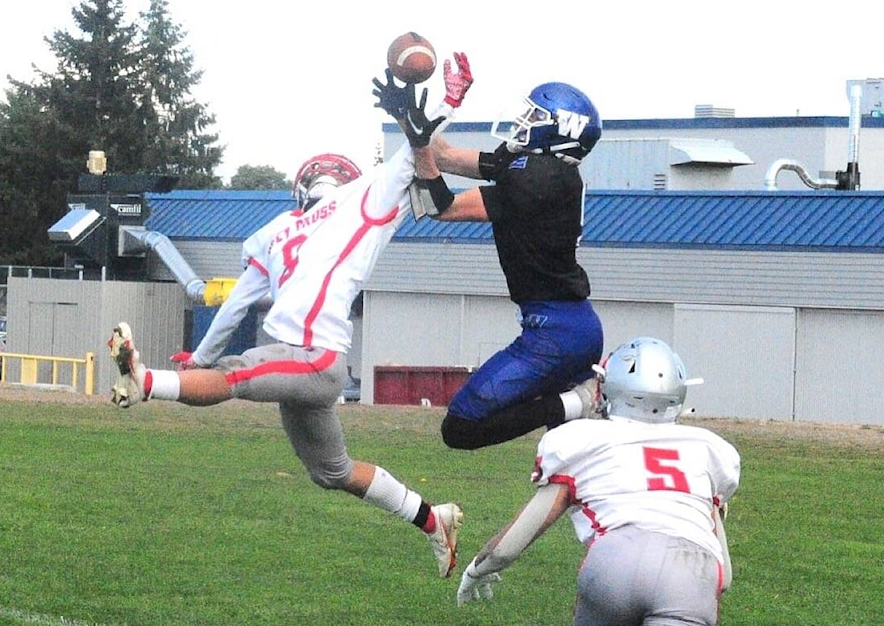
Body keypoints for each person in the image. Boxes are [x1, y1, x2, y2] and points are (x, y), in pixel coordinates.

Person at [108, 54, 476, 579]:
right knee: (332, 472)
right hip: (301, 358)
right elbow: (410, 149)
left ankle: (145, 383)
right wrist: (446, 100)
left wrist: (445, 103)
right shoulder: (338, 205)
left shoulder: (287, 226)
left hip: (312, 356)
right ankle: (431, 518)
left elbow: (237, 302)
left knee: (234, 373)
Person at [375, 76, 607, 450]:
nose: (524, 122)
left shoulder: (538, 178)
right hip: (569, 325)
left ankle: (578, 401)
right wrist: (407, 114)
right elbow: (446, 157)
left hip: (554, 333)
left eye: (535, 116)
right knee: (567, 463)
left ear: (560, 129)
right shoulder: (539, 168)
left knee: (462, 427)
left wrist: (418, 141)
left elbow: (441, 207)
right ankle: (573, 404)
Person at [454, 337, 741, 625]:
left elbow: (508, 545)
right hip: (691, 572)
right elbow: (724, 576)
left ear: (608, 387)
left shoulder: (584, 439)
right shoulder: (706, 449)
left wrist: (477, 570)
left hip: (616, 560)